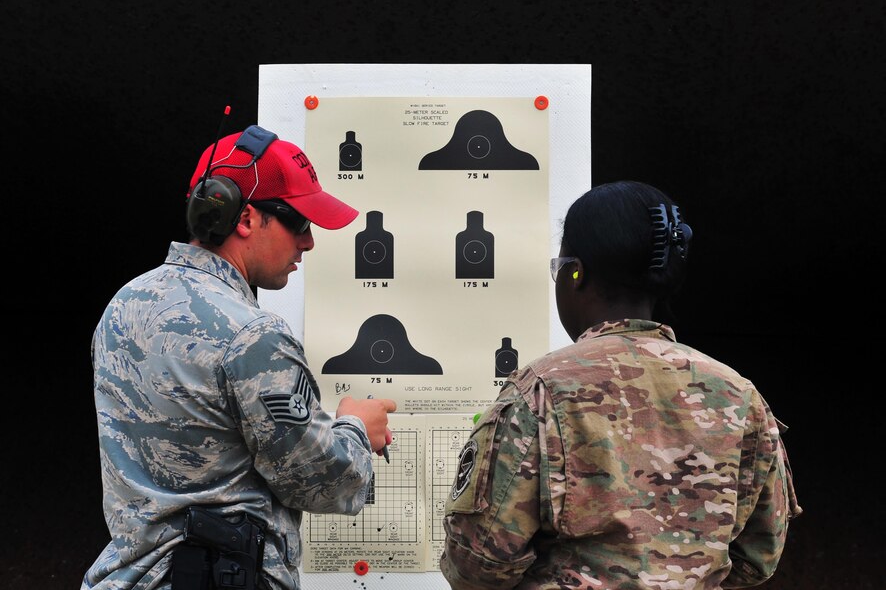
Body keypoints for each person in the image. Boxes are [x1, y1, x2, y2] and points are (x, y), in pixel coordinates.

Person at [440, 180, 802, 589]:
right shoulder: (740, 396)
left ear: (575, 274)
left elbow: (478, 563)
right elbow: (759, 557)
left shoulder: (540, 393)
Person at [83, 123, 396, 590]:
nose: (307, 242)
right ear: (245, 218)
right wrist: (354, 426)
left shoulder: (124, 303)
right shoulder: (253, 335)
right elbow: (325, 481)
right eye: (299, 223)